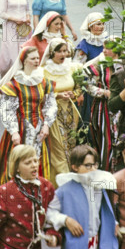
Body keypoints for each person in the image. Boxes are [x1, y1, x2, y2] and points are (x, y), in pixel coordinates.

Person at [0, 144, 60, 249]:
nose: (34, 165)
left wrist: (52, 234)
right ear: (17, 167)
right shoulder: (2, 195)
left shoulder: (46, 187)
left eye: (35, 161)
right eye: (28, 163)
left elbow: (52, 214)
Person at [0, 46, 57, 184]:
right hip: (20, 128)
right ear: (24, 61)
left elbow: (50, 104)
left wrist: (46, 125)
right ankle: (14, 192)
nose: (37, 61)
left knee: (38, 160)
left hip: (39, 127)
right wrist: (14, 132)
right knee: (19, 161)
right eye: (32, 58)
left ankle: (36, 191)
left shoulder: (43, 81)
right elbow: (7, 110)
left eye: (38, 58)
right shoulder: (14, 84)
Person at [46, 145, 118, 249]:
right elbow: (49, 213)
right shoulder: (65, 190)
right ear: (75, 167)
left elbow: (103, 211)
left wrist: (113, 223)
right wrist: (66, 220)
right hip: (75, 243)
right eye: (88, 165)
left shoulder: (98, 186)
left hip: (95, 241)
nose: (94, 169)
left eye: (95, 164)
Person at [41, 38, 83, 187]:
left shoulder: (72, 68)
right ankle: (66, 186)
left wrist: (75, 94)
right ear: (52, 53)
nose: (63, 54)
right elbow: (41, 94)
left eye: (65, 51)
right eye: (59, 51)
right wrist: (57, 95)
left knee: (69, 148)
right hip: (54, 113)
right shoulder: (44, 71)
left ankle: (54, 184)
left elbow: (79, 88)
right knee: (59, 149)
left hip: (71, 113)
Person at [84, 39, 122, 172]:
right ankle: (105, 171)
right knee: (105, 140)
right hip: (103, 107)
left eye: (108, 48)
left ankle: (118, 171)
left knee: (120, 139)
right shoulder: (99, 65)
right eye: (103, 48)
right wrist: (103, 92)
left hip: (122, 107)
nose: (104, 51)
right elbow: (86, 84)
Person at [0, 0, 31, 78]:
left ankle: (19, 78)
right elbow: (2, 14)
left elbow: (27, 10)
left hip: (23, 29)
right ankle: (6, 76)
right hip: (10, 28)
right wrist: (15, 19)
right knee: (10, 54)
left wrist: (27, 19)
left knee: (22, 53)